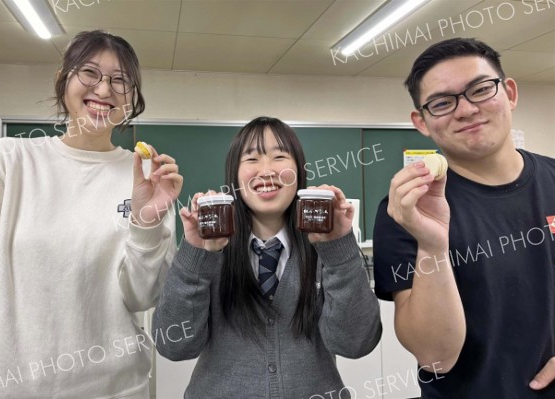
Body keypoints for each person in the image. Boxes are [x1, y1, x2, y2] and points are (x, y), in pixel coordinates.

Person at [0, 30, 182, 398]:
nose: (105, 90)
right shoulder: (8, 161)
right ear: (65, 77)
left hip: (117, 389)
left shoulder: (145, 176)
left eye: (121, 80)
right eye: (90, 72)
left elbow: (143, 298)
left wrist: (146, 222)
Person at [373, 37, 555, 398]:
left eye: (480, 89)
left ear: (511, 93)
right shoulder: (405, 211)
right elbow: (435, 357)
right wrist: (432, 244)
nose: (466, 110)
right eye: (442, 103)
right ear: (421, 122)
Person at [153, 116, 381, 398]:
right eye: (251, 159)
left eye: (280, 156)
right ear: (234, 175)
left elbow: (356, 343)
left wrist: (339, 250)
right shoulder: (209, 247)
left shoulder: (326, 244)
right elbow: (174, 346)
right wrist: (194, 256)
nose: (267, 170)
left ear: (298, 171)